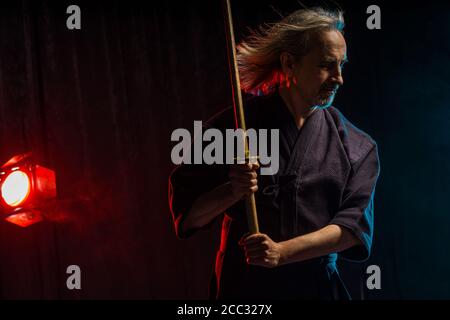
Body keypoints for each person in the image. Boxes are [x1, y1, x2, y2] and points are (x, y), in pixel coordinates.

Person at [169, 7, 380, 299]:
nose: (339, 78)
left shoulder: (358, 146)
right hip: (244, 291)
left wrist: (282, 253)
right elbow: (189, 216)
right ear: (289, 63)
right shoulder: (233, 128)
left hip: (316, 290)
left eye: (341, 65)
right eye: (326, 65)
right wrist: (233, 190)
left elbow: (352, 229)